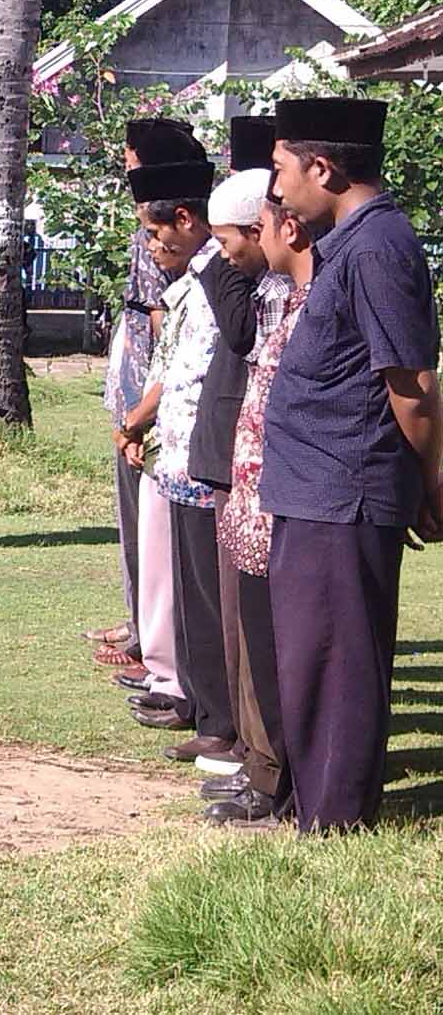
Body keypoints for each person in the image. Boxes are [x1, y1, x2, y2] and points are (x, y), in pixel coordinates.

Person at [259, 96, 440, 833]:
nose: (275, 189)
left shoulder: (376, 247)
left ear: (320, 167)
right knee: (310, 663)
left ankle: (334, 827)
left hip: (343, 491)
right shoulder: (353, 241)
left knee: (336, 669)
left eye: (279, 168)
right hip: (316, 492)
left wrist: (430, 481)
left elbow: (413, 386)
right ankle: (317, 811)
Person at [115, 154, 235, 763]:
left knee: (207, 597)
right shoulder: (191, 283)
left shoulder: (220, 279)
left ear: (187, 220)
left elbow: (200, 374)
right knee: (184, 589)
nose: (153, 245)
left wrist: (147, 419)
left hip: (202, 456)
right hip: (178, 454)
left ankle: (215, 715)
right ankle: (196, 699)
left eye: (157, 233)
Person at [197, 159, 296, 825]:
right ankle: (257, 765)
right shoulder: (265, 285)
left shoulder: (275, 287)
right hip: (248, 476)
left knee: (264, 638)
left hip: (274, 483)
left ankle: (270, 774)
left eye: (230, 238)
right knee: (247, 634)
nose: (222, 253)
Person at [95, 119, 204, 676]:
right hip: (140, 380)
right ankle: (143, 619)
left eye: (131, 158)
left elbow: (164, 319)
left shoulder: (165, 227)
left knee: (154, 519)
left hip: (156, 386)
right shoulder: (153, 221)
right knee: (140, 519)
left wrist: (146, 410)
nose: (125, 169)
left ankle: (153, 635)